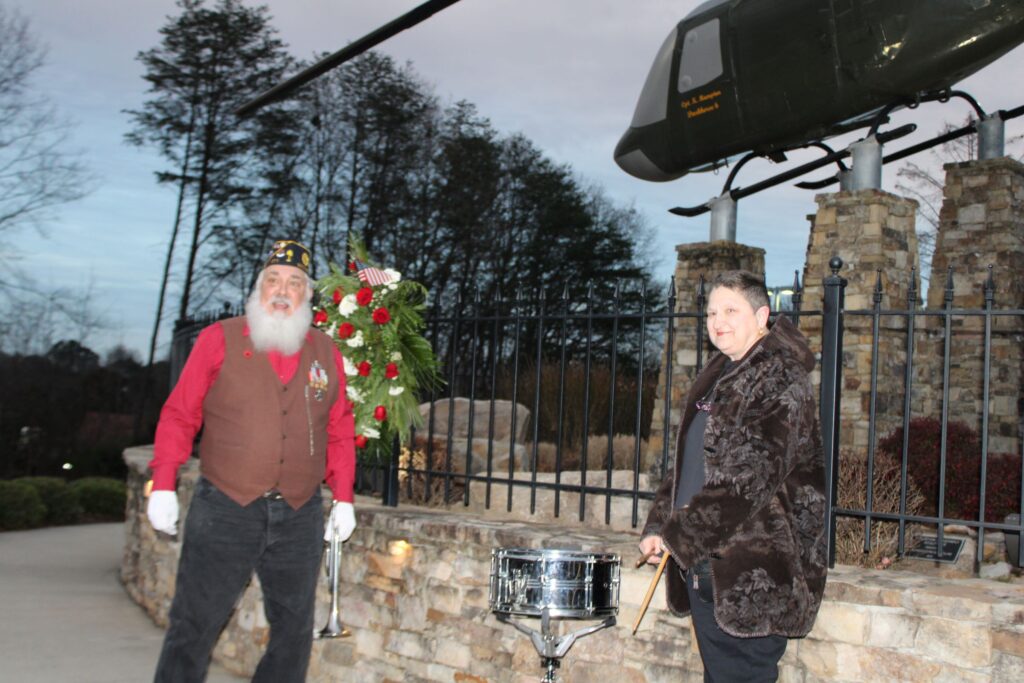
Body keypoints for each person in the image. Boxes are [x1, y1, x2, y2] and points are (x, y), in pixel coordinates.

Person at [146, 239, 357, 683]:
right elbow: (180, 414)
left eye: (295, 283)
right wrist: (163, 483)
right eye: (273, 280)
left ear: (307, 295)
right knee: (195, 624)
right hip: (225, 507)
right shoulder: (218, 338)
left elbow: (339, 427)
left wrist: (344, 498)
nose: (283, 290)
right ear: (259, 288)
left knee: (294, 631)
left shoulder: (325, 351)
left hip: (299, 512)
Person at [638, 270, 827, 682]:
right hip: (707, 563)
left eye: (730, 310)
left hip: (754, 571)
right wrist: (659, 525)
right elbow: (687, 463)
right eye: (710, 312)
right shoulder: (720, 373)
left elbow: (749, 477)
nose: (717, 320)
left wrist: (680, 534)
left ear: (762, 315)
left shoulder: (779, 376)